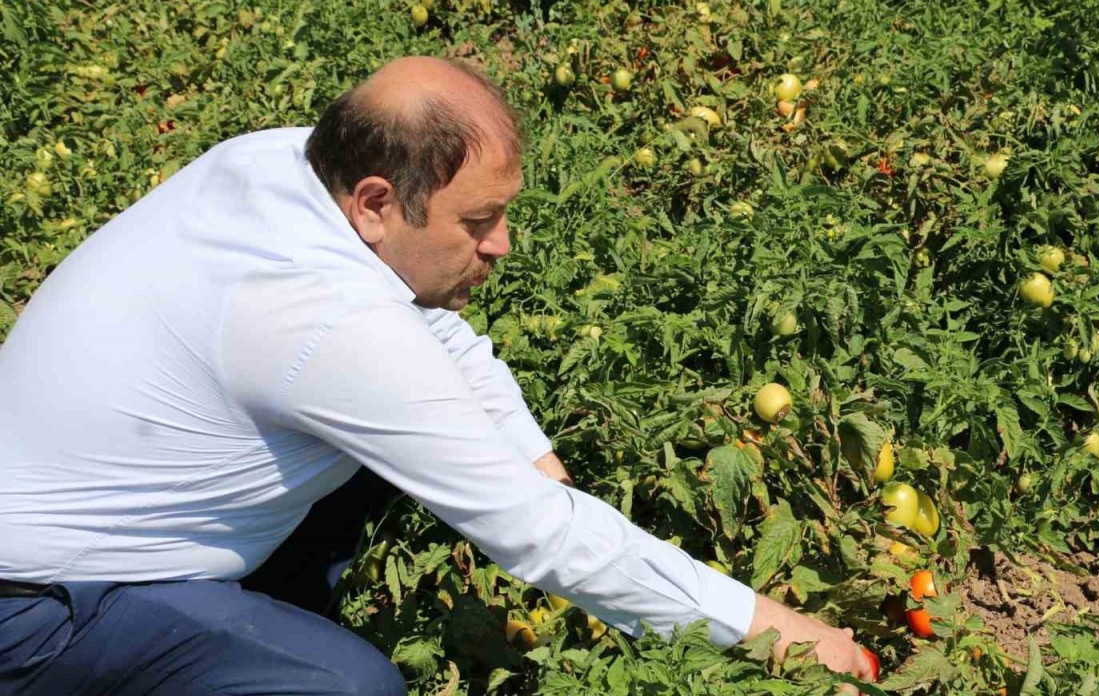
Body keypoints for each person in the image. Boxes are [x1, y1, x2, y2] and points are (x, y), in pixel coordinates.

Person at [0, 56, 876, 695]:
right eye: (479, 220)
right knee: (346, 689)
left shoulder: (282, 164)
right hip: (39, 608)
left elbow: (433, 339)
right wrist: (784, 635)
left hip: (83, 506)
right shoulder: (322, 320)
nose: (500, 245)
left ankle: (267, 606)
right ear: (377, 201)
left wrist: (531, 456)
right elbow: (543, 537)